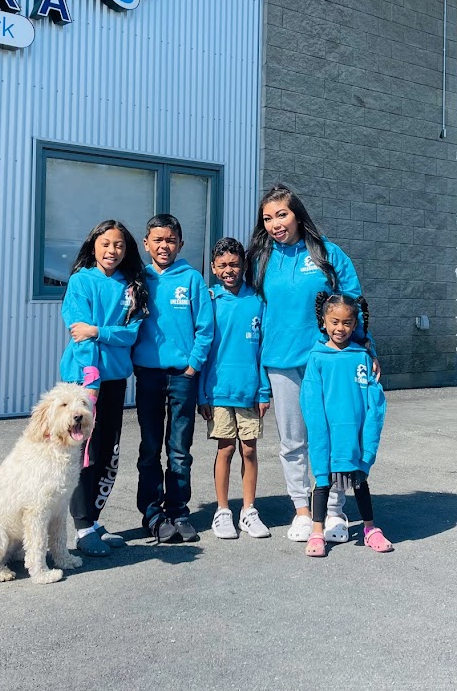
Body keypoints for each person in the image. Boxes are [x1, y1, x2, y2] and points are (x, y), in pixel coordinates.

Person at [246, 183, 378, 544]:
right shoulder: (261, 260)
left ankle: (334, 510)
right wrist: (259, 378)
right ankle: (303, 511)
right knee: (293, 441)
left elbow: (353, 304)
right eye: (267, 218)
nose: (275, 224)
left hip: (328, 363)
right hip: (281, 362)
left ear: (298, 215)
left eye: (282, 215)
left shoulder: (327, 254)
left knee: (332, 436)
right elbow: (256, 314)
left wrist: (367, 349)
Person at [60, 220, 148, 557]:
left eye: (119, 245)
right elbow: (79, 333)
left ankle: (94, 521)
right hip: (85, 383)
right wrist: (91, 381)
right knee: (85, 453)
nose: (112, 250)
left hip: (114, 381)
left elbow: (131, 334)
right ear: (93, 246)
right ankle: (82, 527)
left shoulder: (132, 286)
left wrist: (99, 331)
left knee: (108, 451)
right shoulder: (81, 281)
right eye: (106, 244)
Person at [132, 214, 213, 542]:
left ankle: (179, 510)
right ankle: (152, 514)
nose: (164, 246)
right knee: (150, 447)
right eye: (158, 240)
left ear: (180, 244)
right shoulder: (138, 279)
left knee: (179, 449)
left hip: (183, 376)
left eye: (170, 240)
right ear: (146, 243)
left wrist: (192, 366)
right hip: (148, 374)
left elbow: (205, 327)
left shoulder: (192, 279)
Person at [300, 293, 392, 557]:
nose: (340, 328)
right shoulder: (317, 358)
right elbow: (311, 403)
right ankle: (317, 532)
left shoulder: (362, 357)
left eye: (347, 323)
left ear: (355, 325)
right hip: (328, 436)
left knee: (360, 481)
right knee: (323, 482)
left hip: (355, 436)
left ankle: (370, 529)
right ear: (324, 321)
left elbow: (374, 403)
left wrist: (368, 439)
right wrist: (320, 435)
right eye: (335, 321)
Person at [198, 237, 271, 539]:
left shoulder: (258, 301)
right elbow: (203, 350)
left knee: (249, 449)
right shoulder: (210, 301)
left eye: (234, 264)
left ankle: (249, 510)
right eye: (223, 265)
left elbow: (264, 351)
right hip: (217, 392)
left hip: (249, 391)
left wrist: (263, 391)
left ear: (244, 265)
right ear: (214, 268)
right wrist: (201, 394)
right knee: (225, 448)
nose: (229, 270)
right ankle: (223, 511)